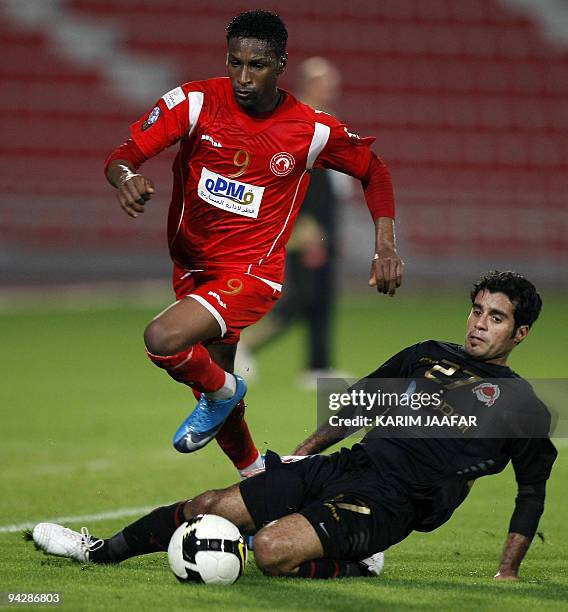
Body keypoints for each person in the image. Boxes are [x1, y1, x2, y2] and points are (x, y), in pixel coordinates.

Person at [30, 271, 556, 581]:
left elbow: (531, 492)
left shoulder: (523, 407)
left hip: (395, 503)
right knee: (212, 505)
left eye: (495, 317)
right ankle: (97, 550)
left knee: (270, 551)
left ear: (521, 332)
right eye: (476, 311)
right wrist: (304, 456)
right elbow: (356, 406)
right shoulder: (426, 354)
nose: (478, 323)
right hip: (349, 466)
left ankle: (358, 562)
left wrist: (507, 570)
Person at [103, 10, 403, 475]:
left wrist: (385, 245)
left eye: (257, 66)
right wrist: (126, 177)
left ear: (281, 64)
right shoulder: (195, 102)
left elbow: (374, 170)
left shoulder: (311, 130)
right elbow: (124, 154)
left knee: (162, 340)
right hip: (192, 267)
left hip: (251, 273)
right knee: (213, 392)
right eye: (235, 63)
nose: (243, 77)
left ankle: (226, 391)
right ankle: (256, 477)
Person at [236, 57, 350, 387]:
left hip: (324, 223)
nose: (333, 88)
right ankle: (245, 344)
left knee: (323, 295)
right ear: (311, 83)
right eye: (327, 81)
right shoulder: (296, 123)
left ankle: (319, 367)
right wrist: (300, 223)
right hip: (305, 226)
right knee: (302, 296)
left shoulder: (325, 121)